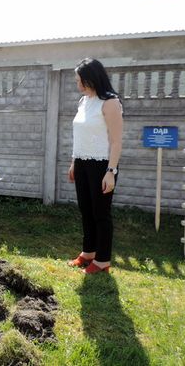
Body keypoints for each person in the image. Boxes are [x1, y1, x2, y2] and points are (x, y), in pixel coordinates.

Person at [68, 58, 123, 274]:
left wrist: (111, 172)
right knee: (86, 210)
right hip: (82, 162)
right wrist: (74, 161)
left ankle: (102, 261)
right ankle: (88, 253)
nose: (77, 83)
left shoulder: (110, 102)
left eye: (79, 80)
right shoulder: (84, 102)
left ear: (91, 78)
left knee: (101, 213)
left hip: (102, 166)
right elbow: (79, 134)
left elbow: (117, 141)